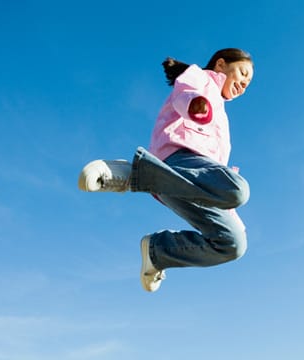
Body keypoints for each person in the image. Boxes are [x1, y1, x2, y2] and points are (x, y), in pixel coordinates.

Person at [78, 48, 254, 292]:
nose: (244, 84)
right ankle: (134, 175)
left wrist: (228, 208)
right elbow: (185, 94)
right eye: (243, 74)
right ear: (221, 64)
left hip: (183, 185)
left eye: (248, 84)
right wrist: (196, 105)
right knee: (239, 190)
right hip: (177, 158)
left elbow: (211, 174)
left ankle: (158, 252)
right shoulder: (200, 78)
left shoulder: (222, 116)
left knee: (234, 243)